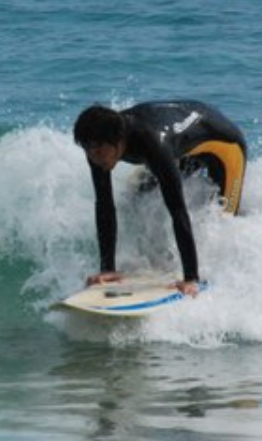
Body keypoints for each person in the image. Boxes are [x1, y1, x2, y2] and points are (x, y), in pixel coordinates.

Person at [73, 101, 247, 296]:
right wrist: (107, 269)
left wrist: (190, 279)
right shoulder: (97, 143)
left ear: (117, 141)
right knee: (140, 196)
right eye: (88, 151)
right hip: (182, 145)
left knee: (223, 216)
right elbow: (104, 205)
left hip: (225, 147)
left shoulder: (152, 143)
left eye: (97, 151)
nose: (93, 158)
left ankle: (204, 270)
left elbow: (178, 210)